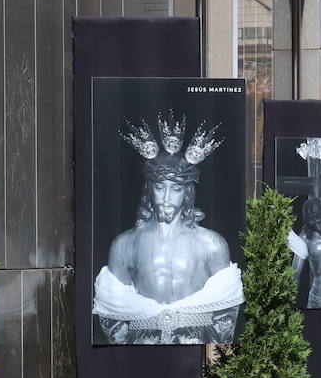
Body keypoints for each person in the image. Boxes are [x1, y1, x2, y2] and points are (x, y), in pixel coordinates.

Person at [92, 116, 242, 344]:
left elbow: (225, 318)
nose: (166, 198)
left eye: (176, 189)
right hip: (142, 348)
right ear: (149, 189)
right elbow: (114, 314)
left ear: (187, 193)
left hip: (195, 346)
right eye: (160, 187)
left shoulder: (212, 244)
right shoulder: (124, 245)